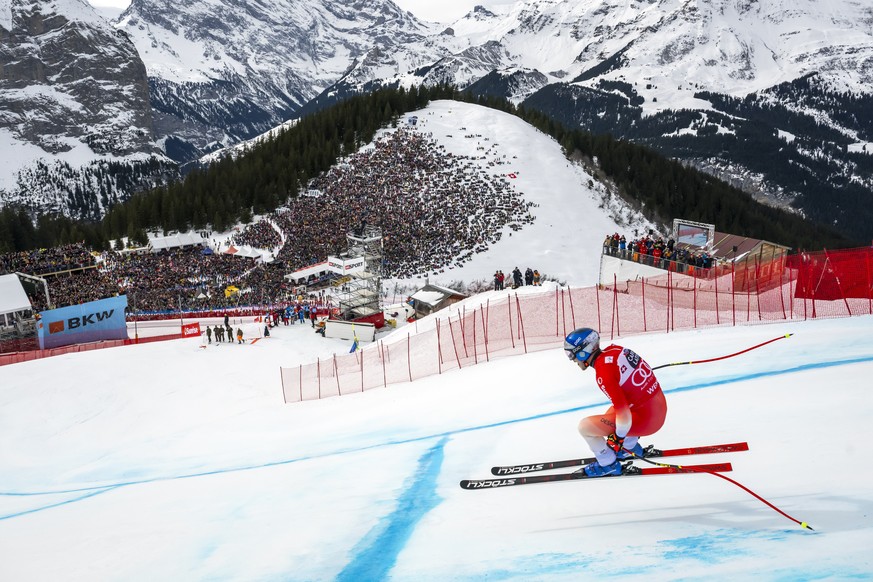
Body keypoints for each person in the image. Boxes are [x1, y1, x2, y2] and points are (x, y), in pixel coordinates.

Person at [563, 328, 667, 477]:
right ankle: (628, 448)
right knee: (611, 413)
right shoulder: (615, 350)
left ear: (582, 351)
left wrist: (617, 440)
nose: (572, 359)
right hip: (657, 408)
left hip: (647, 420)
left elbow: (624, 417)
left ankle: (607, 464)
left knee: (585, 427)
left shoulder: (603, 373)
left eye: (571, 354)